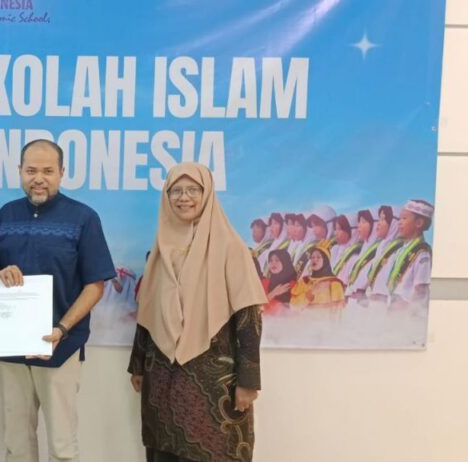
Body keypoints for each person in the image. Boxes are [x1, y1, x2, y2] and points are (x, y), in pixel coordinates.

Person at [0, 139, 115, 462]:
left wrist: (62, 329)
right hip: (12, 347)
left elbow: (95, 285)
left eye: (47, 171)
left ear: (62, 172)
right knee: (16, 444)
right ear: (19, 171)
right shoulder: (6, 214)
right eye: (31, 170)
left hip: (60, 346)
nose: (38, 178)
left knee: (62, 446)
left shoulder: (83, 218)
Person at [128, 162, 267, 462]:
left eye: (193, 189)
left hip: (215, 382)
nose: (184, 197)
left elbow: (249, 318)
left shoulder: (231, 248)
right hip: (162, 378)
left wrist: (248, 381)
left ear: (207, 194)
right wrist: (138, 364)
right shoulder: (161, 248)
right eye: (175, 190)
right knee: (164, 450)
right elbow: (147, 312)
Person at [384, 200, 434, 309]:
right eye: (399, 219)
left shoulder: (422, 252)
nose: (399, 222)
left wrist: (410, 311)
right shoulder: (401, 249)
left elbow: (421, 289)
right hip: (394, 306)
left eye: (404, 218)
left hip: (407, 310)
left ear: (418, 223)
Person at [365, 205, 404, 305]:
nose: (378, 223)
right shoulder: (382, 246)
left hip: (386, 303)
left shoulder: (400, 249)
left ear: (393, 224)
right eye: (379, 219)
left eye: (382, 219)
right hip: (374, 301)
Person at [290, 243, 347, 310]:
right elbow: (293, 306)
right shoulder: (304, 281)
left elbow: (338, 311)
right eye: (312, 257)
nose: (314, 260)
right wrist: (309, 294)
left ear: (325, 261)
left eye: (318, 257)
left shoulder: (334, 283)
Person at [345, 209, 379, 300]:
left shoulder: (378, 250)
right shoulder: (365, 247)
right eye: (359, 222)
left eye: (363, 222)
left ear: (375, 224)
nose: (358, 226)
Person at [263, 249, 297, 315]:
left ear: (285, 262)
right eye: (270, 260)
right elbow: (257, 309)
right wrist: (273, 293)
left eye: (277, 260)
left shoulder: (294, 284)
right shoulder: (265, 283)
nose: (273, 263)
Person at [330, 215, 362, 284]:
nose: (335, 233)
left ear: (351, 231)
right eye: (335, 229)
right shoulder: (335, 249)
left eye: (339, 229)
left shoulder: (355, 255)